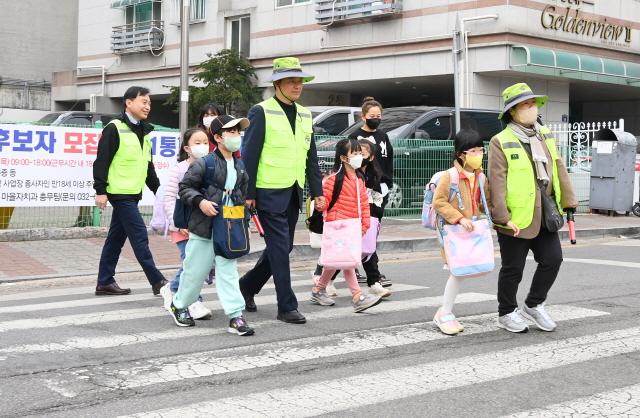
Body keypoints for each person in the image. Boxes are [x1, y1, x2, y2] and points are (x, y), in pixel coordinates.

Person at [239, 57, 325, 324]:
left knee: (283, 247)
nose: (297, 86)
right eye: (291, 81)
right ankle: (286, 306)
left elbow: (310, 155)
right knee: (278, 247)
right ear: (277, 84)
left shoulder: (305, 114)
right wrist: (248, 192)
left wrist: (317, 190)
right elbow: (249, 155)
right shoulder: (261, 111)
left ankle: (247, 287)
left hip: (294, 190)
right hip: (267, 190)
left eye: (300, 81)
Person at [489, 82, 577, 333]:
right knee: (513, 268)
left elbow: (559, 168)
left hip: (545, 211)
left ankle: (534, 303)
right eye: (525, 105)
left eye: (532, 104)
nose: (531, 108)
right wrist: (502, 217)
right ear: (512, 112)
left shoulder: (544, 134)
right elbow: (497, 181)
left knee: (553, 259)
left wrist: (569, 202)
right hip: (516, 216)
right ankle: (506, 312)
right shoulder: (501, 141)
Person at [168, 115, 255, 336]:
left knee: (228, 271)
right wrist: (201, 202)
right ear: (217, 137)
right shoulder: (203, 163)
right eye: (231, 132)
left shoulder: (240, 165)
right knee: (195, 272)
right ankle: (179, 305)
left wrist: (243, 221)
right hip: (204, 226)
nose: (236, 136)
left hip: (228, 227)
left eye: (237, 131)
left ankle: (236, 316)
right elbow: (185, 188)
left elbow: (241, 195)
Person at [93, 86, 167, 296]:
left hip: (133, 193)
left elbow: (148, 166)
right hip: (119, 192)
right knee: (139, 235)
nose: (148, 106)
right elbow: (102, 161)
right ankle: (157, 280)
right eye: (144, 102)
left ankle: (104, 281)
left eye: (149, 103)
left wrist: (159, 191)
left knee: (115, 238)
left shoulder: (145, 131)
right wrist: (100, 190)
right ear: (128, 103)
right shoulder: (114, 128)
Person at [309, 138, 382, 313]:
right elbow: (324, 203)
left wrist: (364, 225)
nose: (358, 156)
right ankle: (358, 297)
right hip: (337, 227)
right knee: (348, 261)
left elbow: (364, 204)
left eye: (359, 153)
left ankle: (318, 290)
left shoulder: (359, 179)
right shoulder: (333, 179)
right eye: (354, 153)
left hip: (352, 227)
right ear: (343, 158)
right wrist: (319, 202)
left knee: (335, 262)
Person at [432, 129, 490, 335]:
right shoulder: (450, 176)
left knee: (461, 273)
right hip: (453, 231)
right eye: (473, 151)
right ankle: (444, 313)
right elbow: (438, 202)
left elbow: (485, 204)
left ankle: (446, 312)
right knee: (457, 273)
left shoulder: (480, 177)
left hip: (470, 232)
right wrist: (460, 217)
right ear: (460, 154)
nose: (478, 154)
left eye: (481, 150)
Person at [159, 128, 213, 320]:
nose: (202, 146)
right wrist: (177, 223)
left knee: (200, 263)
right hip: (182, 226)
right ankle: (194, 302)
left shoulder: (211, 167)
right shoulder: (179, 169)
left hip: (203, 226)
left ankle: (171, 287)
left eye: (205, 142)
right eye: (197, 143)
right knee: (191, 264)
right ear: (187, 148)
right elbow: (169, 198)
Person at [348, 97, 393, 288]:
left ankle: (365, 268)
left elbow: (389, 159)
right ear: (363, 116)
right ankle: (366, 271)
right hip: (361, 188)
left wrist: (387, 183)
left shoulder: (383, 136)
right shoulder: (356, 137)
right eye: (372, 116)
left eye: (379, 116)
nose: (376, 119)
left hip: (379, 188)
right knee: (360, 229)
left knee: (373, 230)